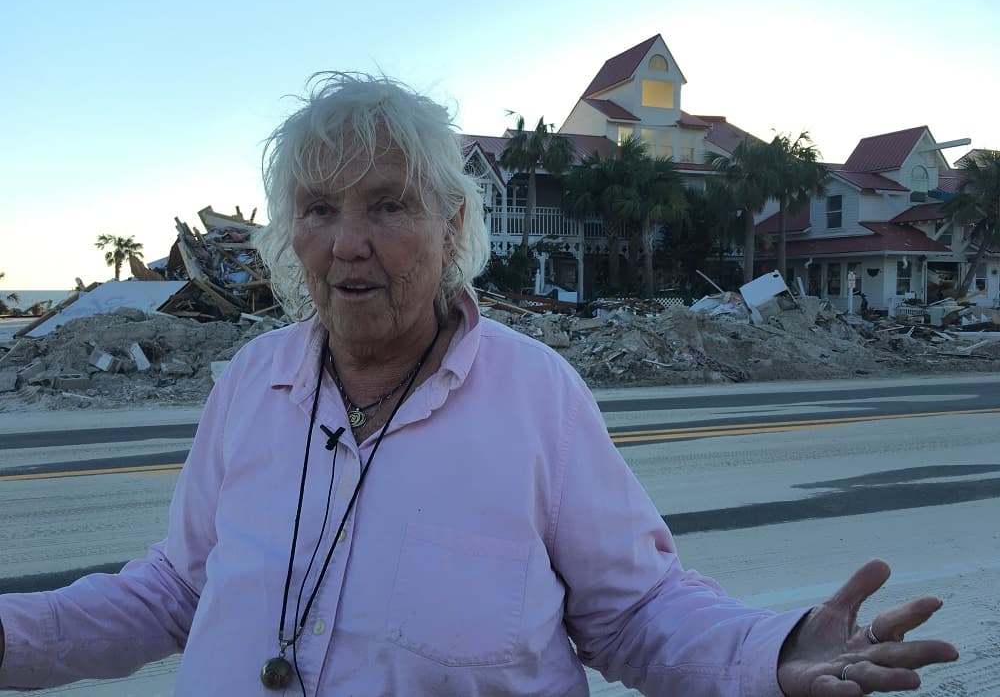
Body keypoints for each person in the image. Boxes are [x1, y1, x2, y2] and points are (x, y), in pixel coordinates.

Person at [0, 73, 957, 696]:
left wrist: (772, 651)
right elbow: (175, 589)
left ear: (454, 226)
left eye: (389, 205)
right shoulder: (250, 382)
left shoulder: (536, 396)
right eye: (320, 208)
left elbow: (632, 610)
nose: (349, 241)